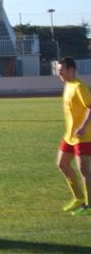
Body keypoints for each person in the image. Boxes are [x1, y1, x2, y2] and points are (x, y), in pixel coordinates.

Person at [56, 57, 91, 216]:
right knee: (62, 164)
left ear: (71, 70)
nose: (59, 73)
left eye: (61, 70)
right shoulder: (67, 86)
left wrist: (83, 127)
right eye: (58, 70)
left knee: (84, 170)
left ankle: (89, 205)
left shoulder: (80, 87)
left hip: (84, 136)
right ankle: (78, 198)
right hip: (70, 135)